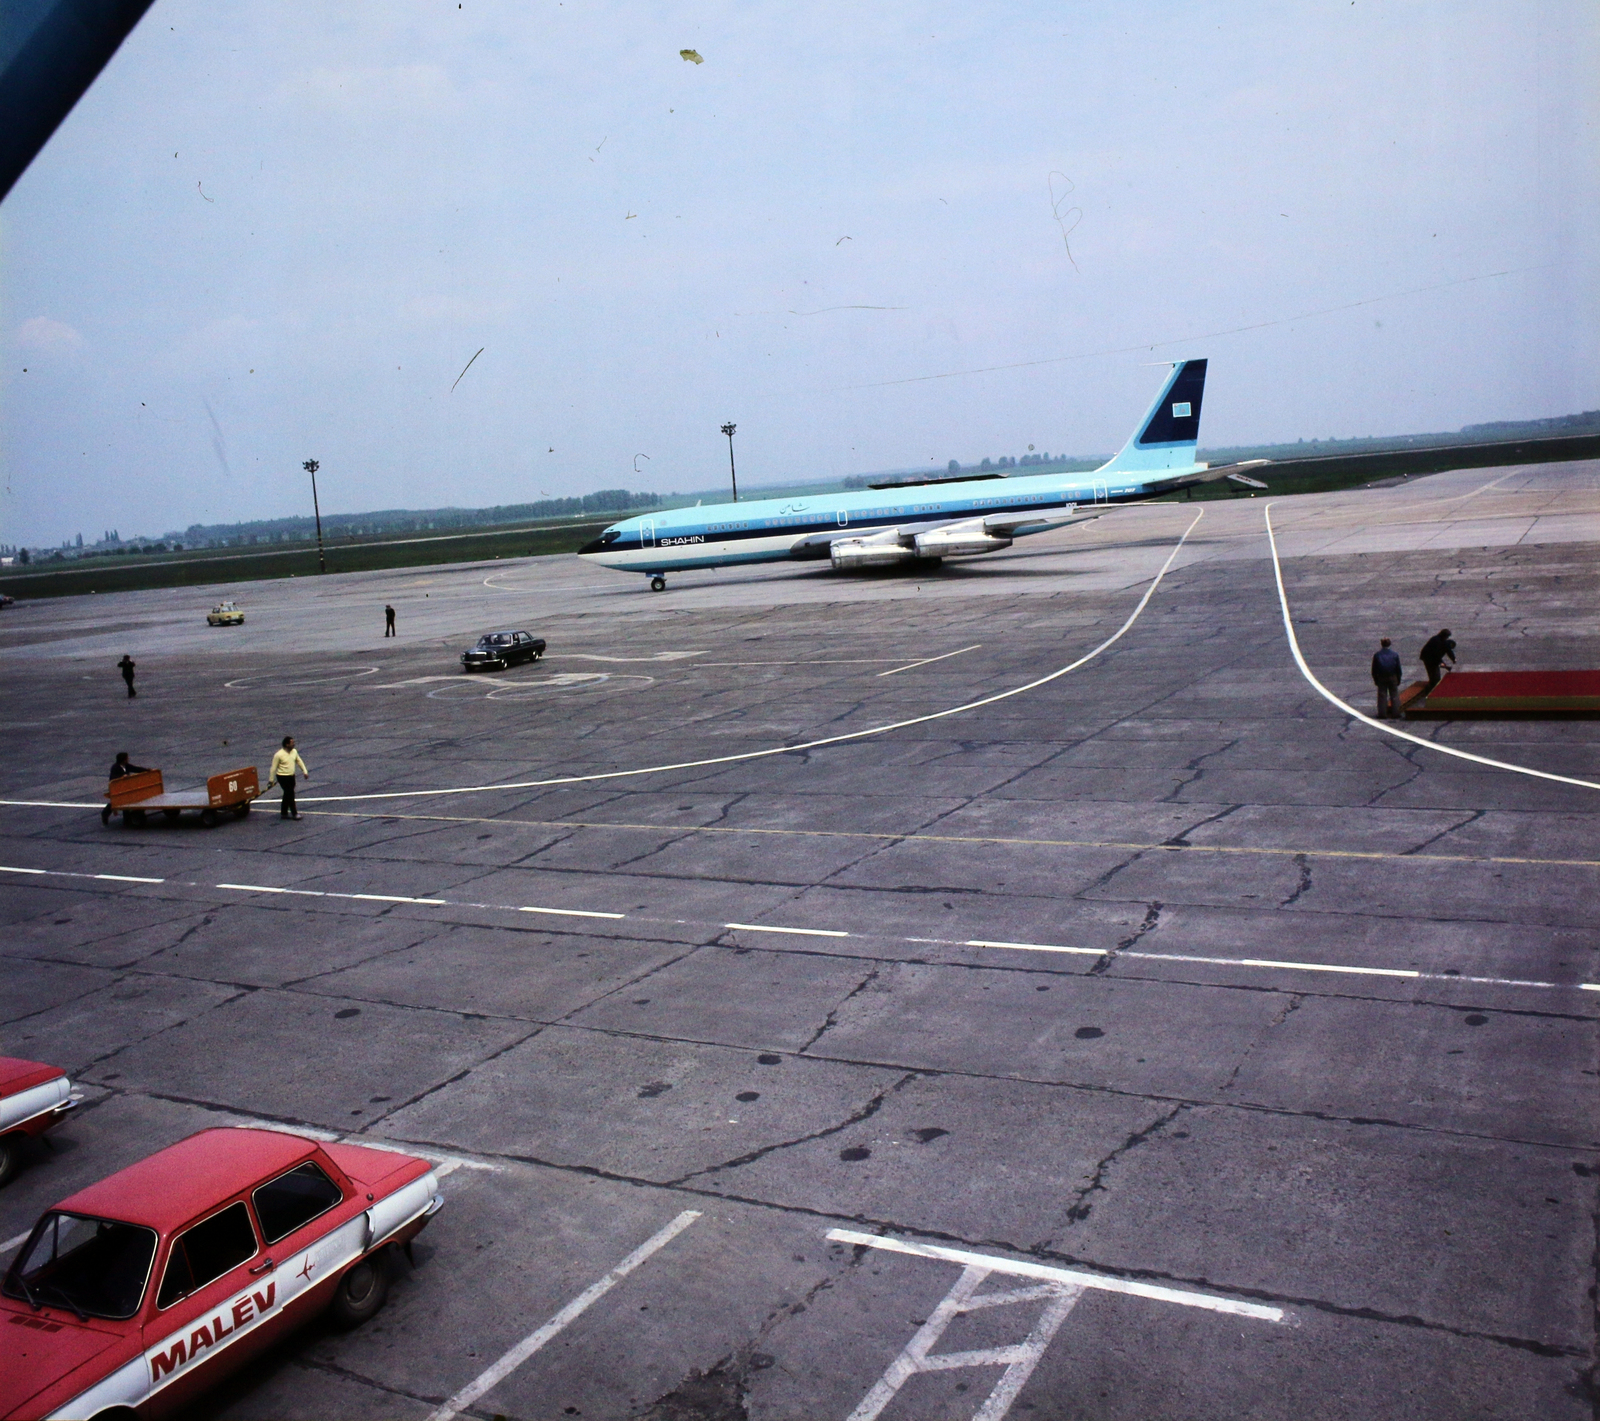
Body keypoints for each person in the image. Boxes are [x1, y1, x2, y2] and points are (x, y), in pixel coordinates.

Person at [102, 751, 152, 824]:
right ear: (124, 759)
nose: (128, 759)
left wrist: (147, 770)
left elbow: (135, 769)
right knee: (115, 802)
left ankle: (126, 820)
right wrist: (121, 777)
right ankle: (104, 815)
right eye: (127, 758)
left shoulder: (126, 766)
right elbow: (113, 777)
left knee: (126, 802)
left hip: (124, 788)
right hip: (116, 788)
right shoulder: (115, 767)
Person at [267, 736, 310, 820]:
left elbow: (299, 761)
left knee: (287, 794)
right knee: (290, 794)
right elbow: (273, 768)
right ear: (287, 744)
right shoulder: (279, 755)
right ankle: (294, 813)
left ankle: (284, 812)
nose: (294, 744)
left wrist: (305, 771)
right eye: (292, 743)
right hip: (282, 777)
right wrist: (271, 780)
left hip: (291, 776)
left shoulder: (294, 751)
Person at [1370, 638, 1402, 718]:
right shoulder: (1394, 654)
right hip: (1392, 676)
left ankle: (1382, 714)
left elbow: (1374, 669)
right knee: (1394, 695)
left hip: (1381, 677)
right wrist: (1398, 678)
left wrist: (1376, 679)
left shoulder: (1377, 655)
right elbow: (1398, 668)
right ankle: (1396, 713)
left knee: (1382, 696)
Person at [1419, 628, 1457, 695]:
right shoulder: (1437, 641)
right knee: (1435, 677)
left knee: (1434, 675)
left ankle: (1431, 689)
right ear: (1444, 636)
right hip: (1428, 658)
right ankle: (1428, 692)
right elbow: (1436, 655)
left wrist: (1453, 659)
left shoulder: (1442, 641)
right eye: (1447, 636)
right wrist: (1441, 663)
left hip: (1431, 658)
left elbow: (1449, 652)